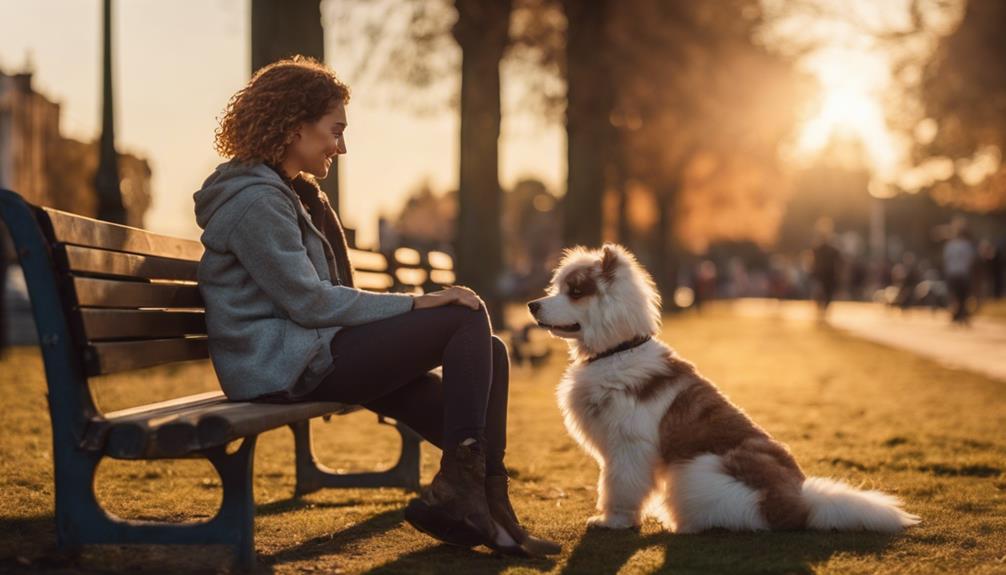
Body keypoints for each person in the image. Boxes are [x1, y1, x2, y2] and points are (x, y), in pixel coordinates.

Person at [193, 56, 559, 557]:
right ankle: (467, 502)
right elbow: (309, 301)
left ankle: (487, 506)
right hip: (279, 365)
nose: (341, 146)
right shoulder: (258, 202)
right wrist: (420, 304)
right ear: (295, 128)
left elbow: (316, 300)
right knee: (462, 316)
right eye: (334, 130)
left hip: (309, 352)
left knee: (489, 352)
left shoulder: (288, 194)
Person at [943, 219, 977, 325]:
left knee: (955, 295)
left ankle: (957, 313)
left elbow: (946, 259)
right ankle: (961, 314)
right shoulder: (967, 245)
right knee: (963, 295)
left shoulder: (950, 245)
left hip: (952, 273)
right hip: (963, 273)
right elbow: (972, 260)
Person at [810, 219, 842, 315]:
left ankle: (823, 310)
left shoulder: (829, 250)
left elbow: (838, 263)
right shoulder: (818, 249)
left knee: (827, 294)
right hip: (822, 275)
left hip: (827, 275)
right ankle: (822, 309)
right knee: (824, 293)